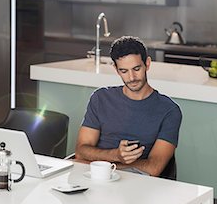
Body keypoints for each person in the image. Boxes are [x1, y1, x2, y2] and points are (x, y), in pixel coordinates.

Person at [75, 36, 182, 177]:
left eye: (136, 69)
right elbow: (81, 151)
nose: (131, 78)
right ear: (116, 69)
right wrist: (115, 155)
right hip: (93, 178)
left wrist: (105, 167)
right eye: (124, 71)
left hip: (136, 184)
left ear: (147, 64)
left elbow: (153, 167)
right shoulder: (100, 98)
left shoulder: (169, 111)